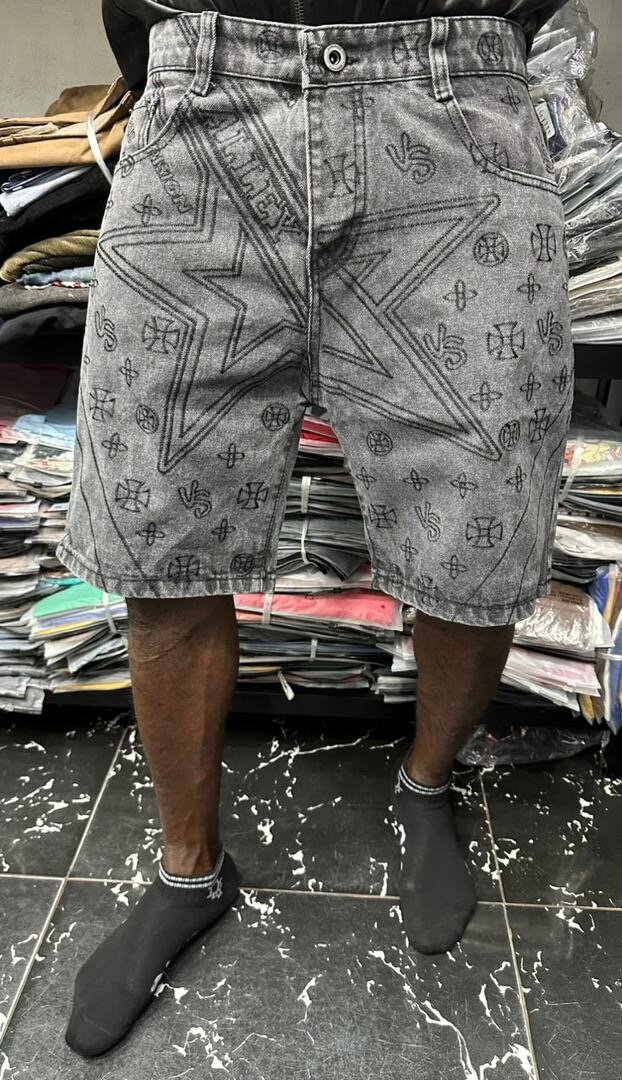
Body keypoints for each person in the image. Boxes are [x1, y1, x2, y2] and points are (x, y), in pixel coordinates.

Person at [56, 0, 572, 1057]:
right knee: (159, 535)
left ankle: (427, 783)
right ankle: (188, 871)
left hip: (456, 108)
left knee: (482, 524)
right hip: (202, 106)